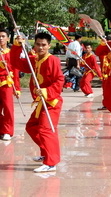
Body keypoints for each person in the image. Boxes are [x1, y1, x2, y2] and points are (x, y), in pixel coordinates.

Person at [11, 32, 64, 173]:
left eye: (44, 45)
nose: (41, 47)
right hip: (41, 102)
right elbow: (16, 63)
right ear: (34, 45)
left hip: (51, 102)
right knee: (31, 126)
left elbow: (59, 80)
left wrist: (47, 91)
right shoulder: (34, 60)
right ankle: (47, 152)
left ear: (49, 45)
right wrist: (17, 46)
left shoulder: (53, 60)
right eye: (38, 44)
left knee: (46, 130)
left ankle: (51, 163)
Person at [0, 29, 20, 141]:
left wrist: (16, 88)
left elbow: (15, 71)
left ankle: (7, 131)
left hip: (6, 83)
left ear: (7, 38)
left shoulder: (11, 53)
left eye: (3, 36)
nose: (1, 38)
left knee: (8, 109)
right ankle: (1, 129)